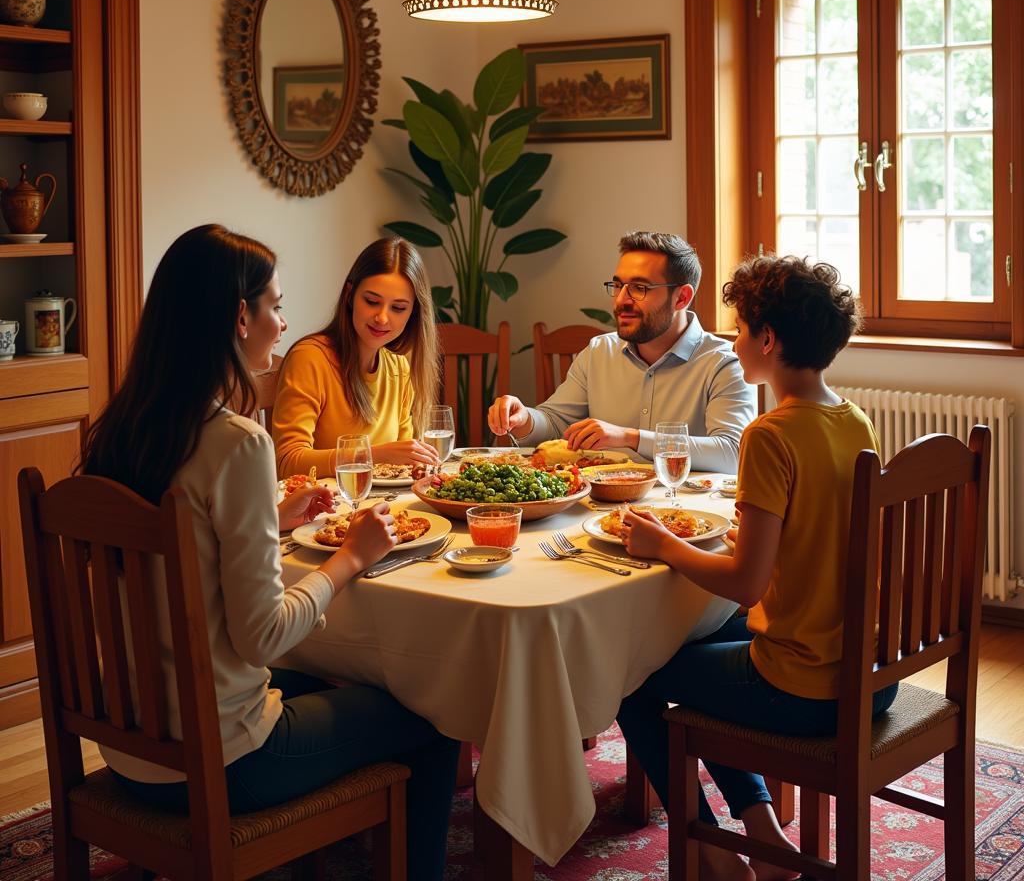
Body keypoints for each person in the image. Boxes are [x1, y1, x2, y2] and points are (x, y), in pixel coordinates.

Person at [80, 224, 459, 881]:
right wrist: (351, 559)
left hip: (130, 748)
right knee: (437, 712)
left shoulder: (126, 428)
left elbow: (185, 533)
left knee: (338, 681)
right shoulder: (235, 443)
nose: (283, 324)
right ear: (239, 316)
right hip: (222, 761)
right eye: (275, 306)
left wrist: (273, 514)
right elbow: (263, 636)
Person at [615, 255, 897, 881]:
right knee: (705, 638)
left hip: (805, 690)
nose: (732, 341)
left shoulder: (769, 434)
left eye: (739, 329)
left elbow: (744, 582)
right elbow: (817, 532)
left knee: (634, 679)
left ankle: (712, 852)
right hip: (872, 676)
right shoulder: (854, 420)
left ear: (768, 340)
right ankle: (764, 833)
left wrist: (664, 545)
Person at [487, 231, 755, 472]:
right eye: (618, 286)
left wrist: (631, 438)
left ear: (682, 297)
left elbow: (732, 452)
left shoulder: (724, 363)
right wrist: (524, 419)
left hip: (682, 517)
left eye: (640, 288)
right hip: (599, 510)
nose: (621, 300)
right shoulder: (598, 352)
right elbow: (556, 423)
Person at [273, 237, 440, 480]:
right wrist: (371, 455)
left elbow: (405, 466)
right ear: (350, 295)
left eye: (398, 308)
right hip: (323, 512)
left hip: (383, 508)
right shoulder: (310, 359)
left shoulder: (399, 368)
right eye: (372, 301)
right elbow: (287, 462)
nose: (382, 318)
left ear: (413, 313)